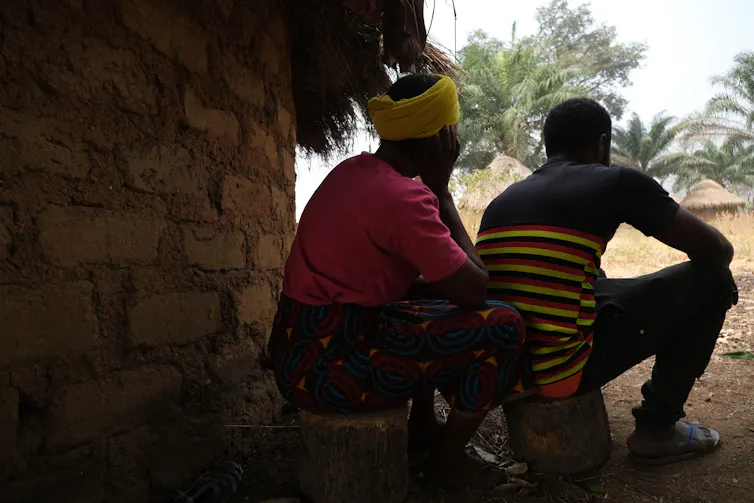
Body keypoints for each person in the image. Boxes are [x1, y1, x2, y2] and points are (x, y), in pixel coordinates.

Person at [268, 74, 527, 488]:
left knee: (418, 302)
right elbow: (475, 288)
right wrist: (441, 192)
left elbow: (390, 282)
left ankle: (422, 426)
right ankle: (447, 461)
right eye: (452, 131)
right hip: (333, 373)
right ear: (439, 138)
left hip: (296, 354)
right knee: (505, 324)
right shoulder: (407, 198)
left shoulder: (351, 172)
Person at [477, 98, 738, 465]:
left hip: (508, 367)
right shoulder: (616, 181)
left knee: (594, 276)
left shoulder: (504, 199)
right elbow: (718, 251)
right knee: (714, 280)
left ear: (549, 145)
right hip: (558, 371)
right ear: (602, 144)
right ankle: (657, 428)